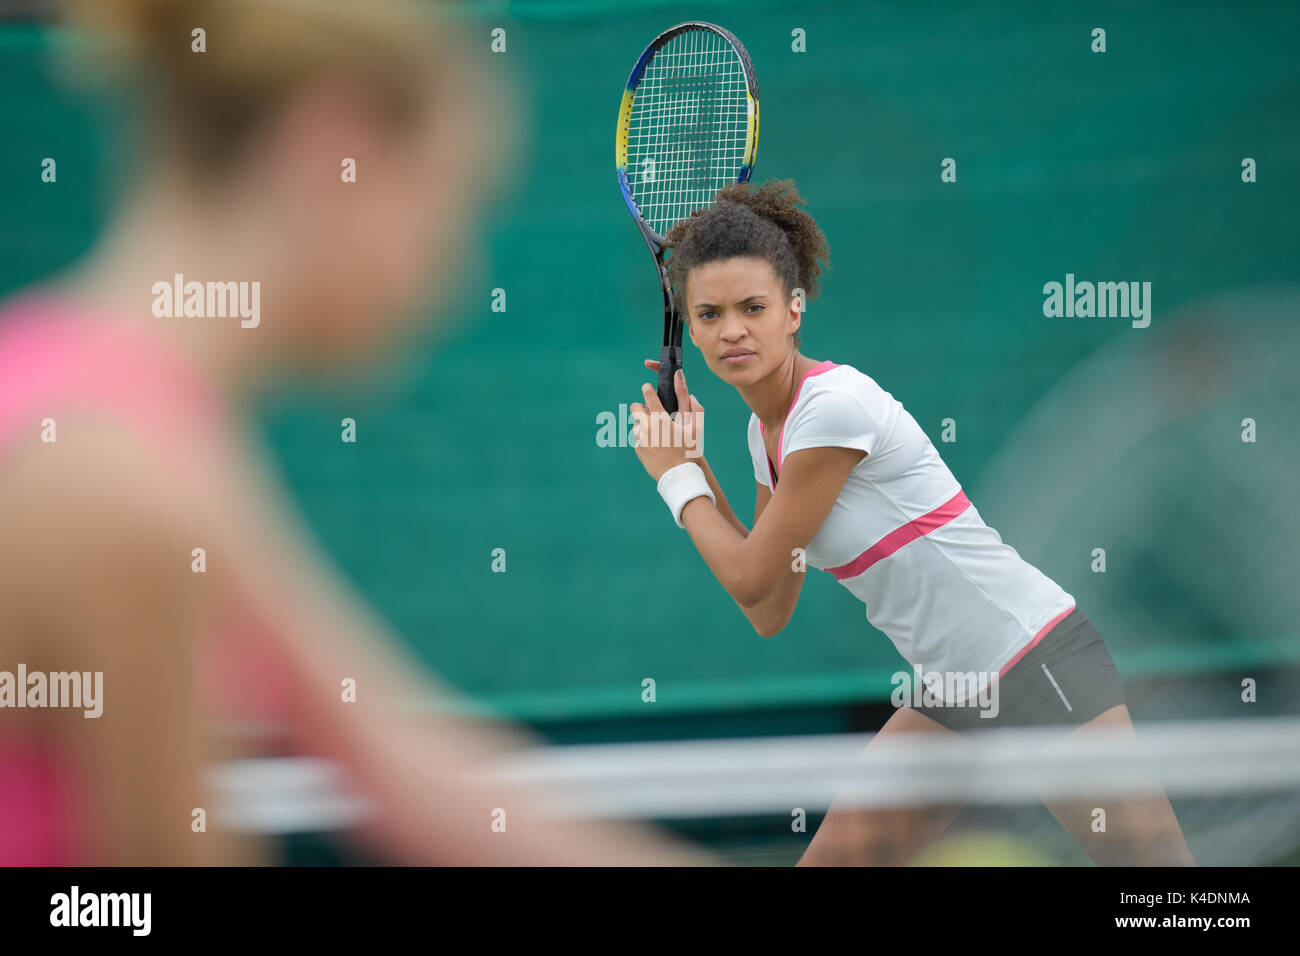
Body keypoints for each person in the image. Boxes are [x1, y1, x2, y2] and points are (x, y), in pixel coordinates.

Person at [0, 0, 701, 865]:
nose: (462, 263)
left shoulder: (135, 420)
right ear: (338, 145)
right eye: (451, 200)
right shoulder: (128, 492)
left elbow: (401, 764)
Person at [628, 178, 1196, 866]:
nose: (733, 330)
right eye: (710, 314)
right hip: (952, 691)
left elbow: (749, 579)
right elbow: (772, 602)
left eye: (754, 307)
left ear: (794, 309)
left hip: (1032, 661)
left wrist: (676, 478)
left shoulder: (831, 410)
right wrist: (694, 464)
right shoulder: (763, 433)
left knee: (1167, 891)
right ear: (689, 325)